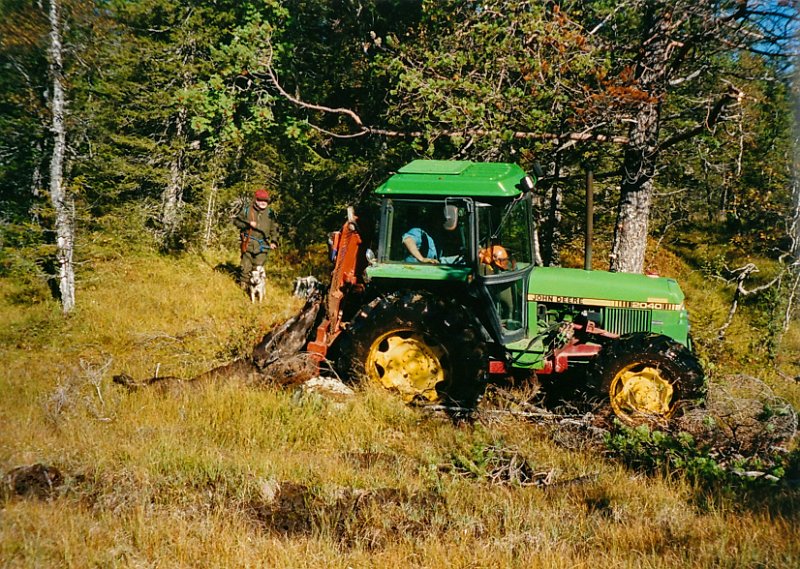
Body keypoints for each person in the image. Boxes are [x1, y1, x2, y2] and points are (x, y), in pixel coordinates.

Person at [233, 188, 278, 290]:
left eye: (265, 200)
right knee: (245, 267)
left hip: (263, 245)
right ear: (255, 200)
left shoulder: (270, 213)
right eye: (260, 200)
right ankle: (243, 287)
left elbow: (274, 228)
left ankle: (255, 288)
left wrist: (274, 241)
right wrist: (248, 224)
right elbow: (236, 221)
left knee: (258, 268)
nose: (263, 202)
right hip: (248, 242)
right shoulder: (247, 210)